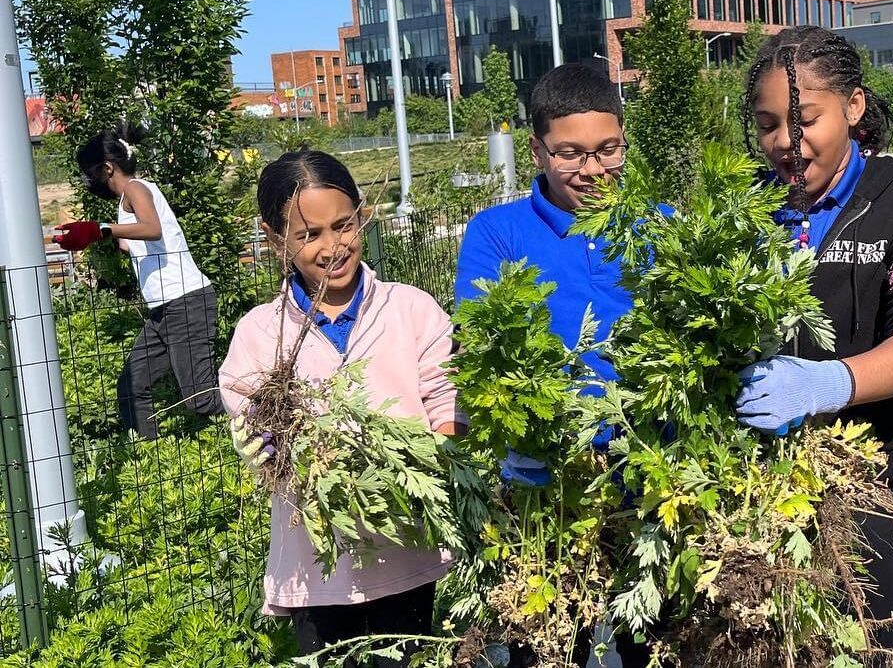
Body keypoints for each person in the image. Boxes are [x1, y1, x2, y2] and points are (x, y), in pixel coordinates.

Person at [730, 25, 893, 660]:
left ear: (854, 107)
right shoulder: (744, 204)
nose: (786, 143)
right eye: (769, 124)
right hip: (758, 489)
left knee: (871, 651)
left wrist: (831, 382)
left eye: (805, 119)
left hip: (873, 489)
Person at [219, 151, 463, 666]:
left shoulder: (411, 309)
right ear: (274, 238)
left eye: (344, 225)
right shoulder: (260, 333)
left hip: (407, 547)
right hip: (316, 564)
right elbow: (253, 416)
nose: (333, 247)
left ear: (361, 214)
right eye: (309, 235)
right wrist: (259, 446)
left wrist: (431, 455)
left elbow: (446, 401)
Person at [453, 62, 646, 666]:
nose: (592, 169)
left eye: (606, 149)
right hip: (545, 483)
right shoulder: (496, 233)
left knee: (646, 640)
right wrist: (524, 434)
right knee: (546, 642)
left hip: (644, 473)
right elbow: (484, 346)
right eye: (570, 153)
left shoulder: (656, 225)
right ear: (536, 149)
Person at [56, 130, 221, 438]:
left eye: (89, 174)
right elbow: (139, 242)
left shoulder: (135, 188)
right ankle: (151, 450)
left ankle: (264, 412)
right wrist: (87, 237)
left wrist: (102, 229)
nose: (88, 182)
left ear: (107, 168)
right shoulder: (127, 199)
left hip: (186, 301)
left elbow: (152, 228)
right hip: (165, 309)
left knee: (201, 398)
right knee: (132, 385)